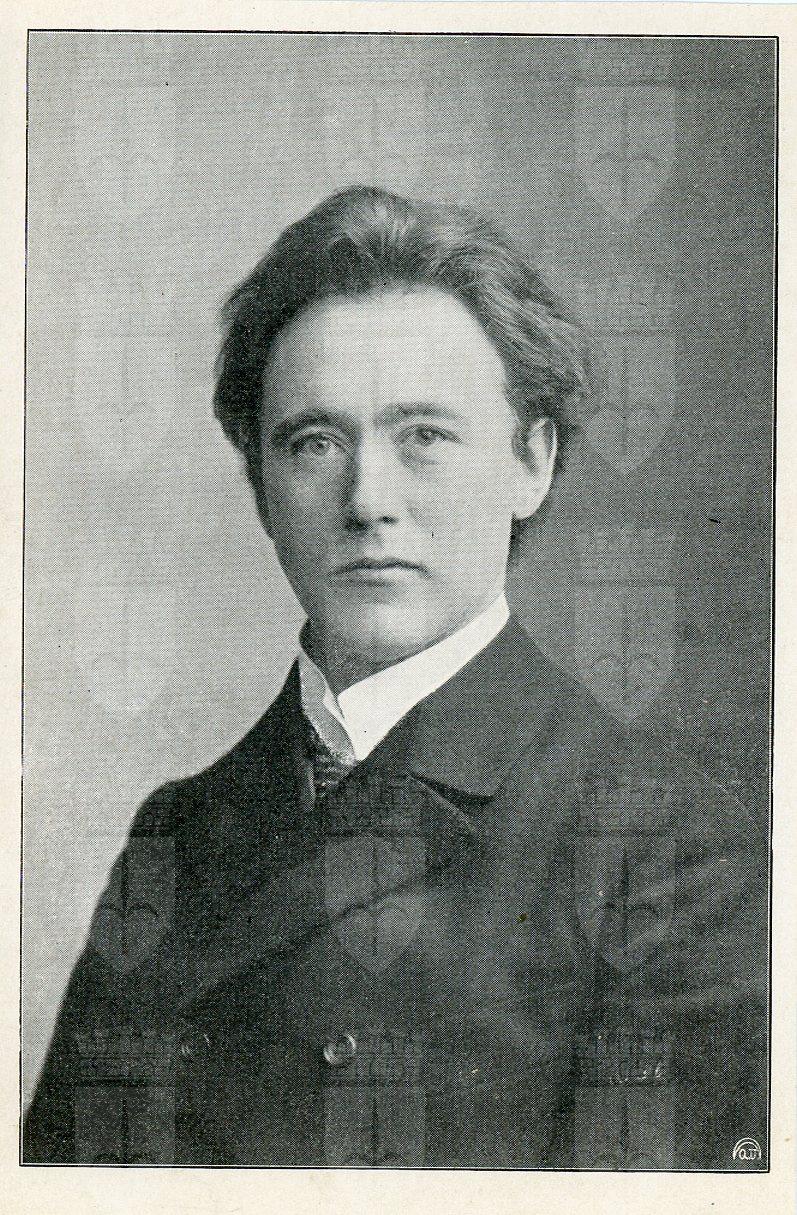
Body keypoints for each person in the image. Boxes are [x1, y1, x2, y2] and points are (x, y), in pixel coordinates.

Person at [24, 187, 766, 1169]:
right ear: (261, 488)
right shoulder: (178, 830)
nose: (368, 499)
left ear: (530, 463)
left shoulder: (665, 844)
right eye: (315, 443)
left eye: (423, 436)